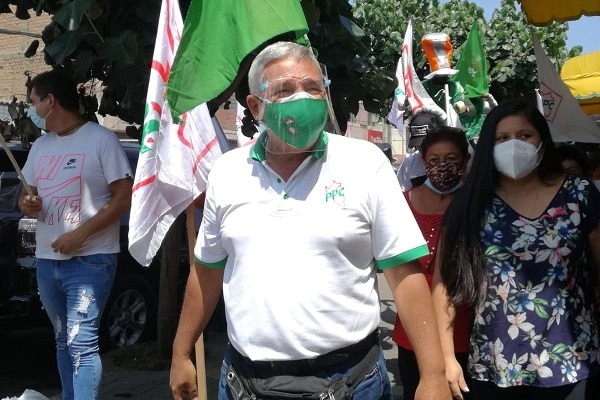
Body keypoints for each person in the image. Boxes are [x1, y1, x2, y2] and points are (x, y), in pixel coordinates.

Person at [169, 41, 451, 400]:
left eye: (313, 87)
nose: (302, 98)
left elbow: (404, 275)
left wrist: (433, 375)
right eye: (284, 89)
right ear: (255, 106)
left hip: (351, 382)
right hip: (244, 383)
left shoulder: (365, 164)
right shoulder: (227, 173)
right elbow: (207, 271)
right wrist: (181, 353)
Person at [431, 97, 600, 400]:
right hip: (495, 364)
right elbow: (444, 285)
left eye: (524, 135)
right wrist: (446, 359)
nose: (513, 145)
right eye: (502, 138)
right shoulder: (470, 205)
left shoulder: (579, 195)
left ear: (542, 141)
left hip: (572, 362)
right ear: (488, 145)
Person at [18, 70, 133, 400]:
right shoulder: (40, 146)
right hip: (47, 260)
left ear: (50, 101)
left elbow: (124, 197)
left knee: (81, 342)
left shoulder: (101, 140)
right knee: (62, 340)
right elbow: (26, 197)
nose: (32, 110)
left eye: (33, 103)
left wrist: (80, 235)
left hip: (91, 260)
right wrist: (28, 203)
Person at [392, 126, 472, 400]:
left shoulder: (474, 204)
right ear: (423, 162)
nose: (442, 167)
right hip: (414, 331)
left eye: (451, 160)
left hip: (462, 332)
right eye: (434, 160)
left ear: (464, 161)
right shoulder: (402, 205)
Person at [396, 110, 446, 191]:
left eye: (426, 143)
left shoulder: (453, 159)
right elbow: (401, 193)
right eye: (418, 145)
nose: (422, 148)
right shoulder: (409, 163)